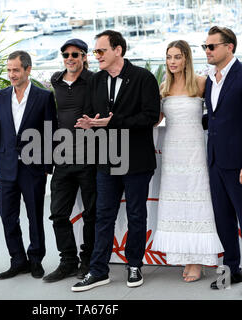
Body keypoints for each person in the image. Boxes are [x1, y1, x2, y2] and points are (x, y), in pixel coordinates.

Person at [72, 30, 160, 291]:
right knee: (103, 215)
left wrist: (113, 122)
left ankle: (135, 265)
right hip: (106, 158)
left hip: (136, 159)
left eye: (101, 51)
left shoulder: (143, 78)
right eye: (95, 51)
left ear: (118, 50)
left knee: (136, 214)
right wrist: (90, 124)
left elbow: (151, 116)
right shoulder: (95, 81)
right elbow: (91, 113)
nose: (96, 56)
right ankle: (98, 270)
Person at [151, 40, 224, 282]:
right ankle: (184, 255)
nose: (172, 62)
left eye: (177, 57)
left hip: (195, 153)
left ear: (186, 59)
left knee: (196, 202)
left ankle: (196, 261)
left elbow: (218, 114)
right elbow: (154, 120)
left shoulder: (202, 84)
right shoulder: (163, 87)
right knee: (176, 205)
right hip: (172, 154)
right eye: (169, 57)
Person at [203, 26, 242, 295]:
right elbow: (215, 118)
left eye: (211, 46)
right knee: (223, 219)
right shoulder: (210, 79)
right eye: (205, 46)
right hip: (216, 161)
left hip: (240, 165)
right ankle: (232, 269)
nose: (207, 50)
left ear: (229, 47)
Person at [0, 50, 58, 280]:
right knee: (7, 216)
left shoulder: (44, 96)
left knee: (35, 216)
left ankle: (36, 259)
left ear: (28, 69)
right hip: (5, 167)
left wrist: (47, 167)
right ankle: (17, 260)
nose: (11, 74)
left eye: (16, 70)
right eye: (8, 70)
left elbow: (50, 133)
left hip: (33, 168)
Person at [43, 39, 96, 283]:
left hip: (89, 159)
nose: (70, 58)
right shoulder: (56, 80)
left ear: (84, 56)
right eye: (66, 54)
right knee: (57, 214)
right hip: (63, 159)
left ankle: (87, 261)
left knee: (91, 213)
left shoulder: (95, 80)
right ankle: (67, 261)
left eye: (75, 54)